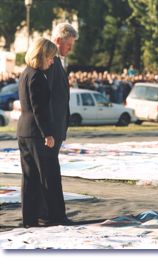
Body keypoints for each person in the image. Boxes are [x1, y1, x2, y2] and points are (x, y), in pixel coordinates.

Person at [17, 38, 58, 228]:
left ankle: (29, 220)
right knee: (44, 176)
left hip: (24, 131)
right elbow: (38, 108)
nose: (52, 61)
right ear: (41, 55)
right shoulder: (37, 76)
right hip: (35, 133)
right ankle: (51, 216)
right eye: (50, 57)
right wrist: (47, 134)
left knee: (29, 178)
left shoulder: (26, 73)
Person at [43, 23, 78, 225]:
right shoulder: (50, 63)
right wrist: (49, 130)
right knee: (49, 174)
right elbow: (46, 99)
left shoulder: (57, 63)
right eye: (69, 44)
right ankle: (52, 214)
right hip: (51, 129)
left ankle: (52, 213)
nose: (70, 49)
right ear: (58, 41)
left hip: (56, 128)